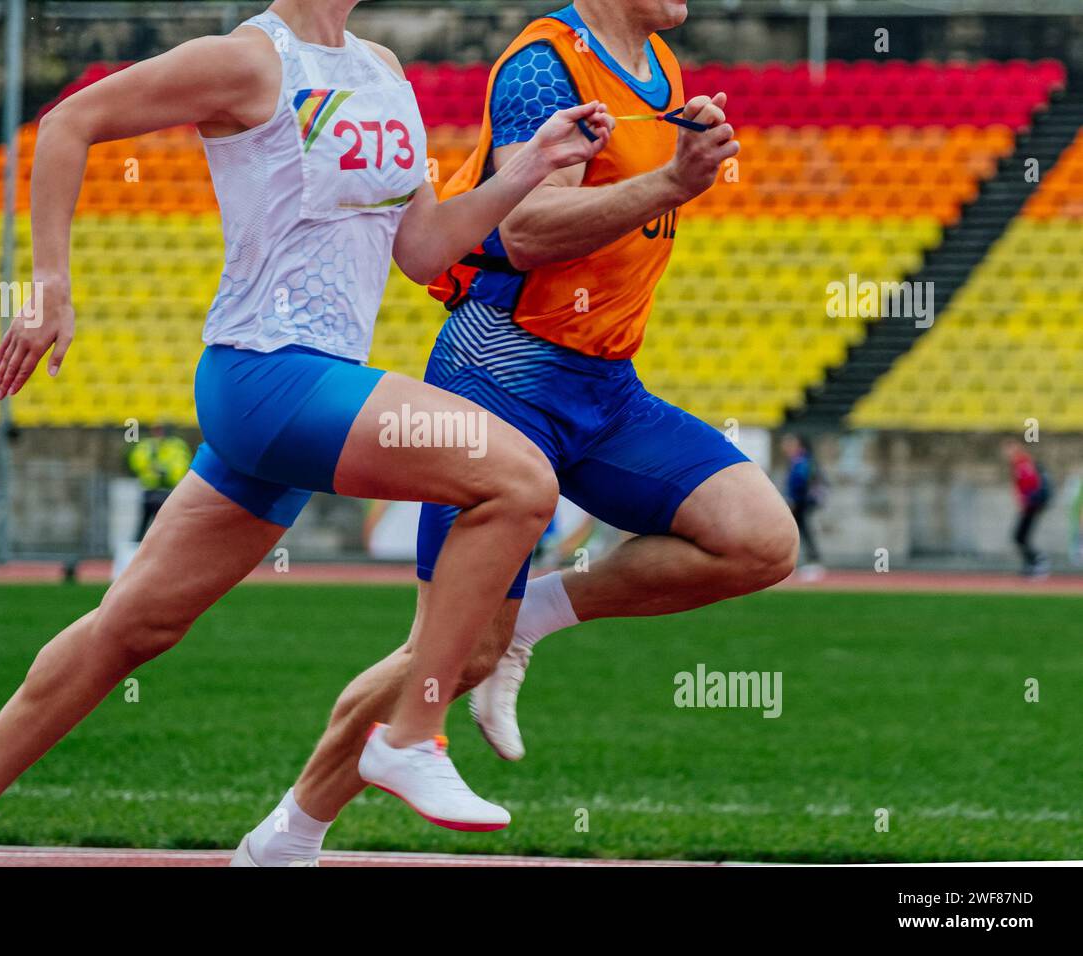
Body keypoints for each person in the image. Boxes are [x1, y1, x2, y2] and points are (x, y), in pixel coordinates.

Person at [0, 0, 614, 866]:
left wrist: (528, 167)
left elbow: (422, 250)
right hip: (265, 373)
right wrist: (50, 285)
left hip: (310, 390)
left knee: (134, 627)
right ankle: (412, 736)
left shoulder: (380, 67)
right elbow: (70, 122)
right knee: (520, 481)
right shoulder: (246, 61)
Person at [237, 0, 799, 867]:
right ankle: (291, 832)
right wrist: (670, 184)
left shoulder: (658, 62)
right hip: (502, 373)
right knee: (451, 653)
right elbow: (527, 229)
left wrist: (683, 160)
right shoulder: (544, 64)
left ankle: (534, 615)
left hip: (604, 385)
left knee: (759, 540)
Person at [128, 425, 191, 539]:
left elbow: (181, 465)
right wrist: (151, 467)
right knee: (144, 523)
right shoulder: (146, 445)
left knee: (165, 523)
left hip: (166, 491)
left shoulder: (176, 446)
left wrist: (166, 472)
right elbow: (136, 462)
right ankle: (138, 546)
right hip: (150, 490)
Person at [1002, 439, 1051, 576]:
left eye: (1009, 449)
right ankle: (1032, 563)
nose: (1007, 453)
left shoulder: (1023, 464)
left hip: (1031, 506)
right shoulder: (1019, 464)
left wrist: (1027, 500)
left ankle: (1038, 561)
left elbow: (1031, 483)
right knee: (1021, 537)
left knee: (1019, 536)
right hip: (1029, 506)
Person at [781, 433, 824, 578]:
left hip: (802, 502)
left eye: (789, 443)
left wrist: (793, 500)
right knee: (801, 531)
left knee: (803, 530)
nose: (785, 447)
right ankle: (808, 562)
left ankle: (814, 562)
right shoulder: (798, 461)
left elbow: (801, 483)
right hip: (800, 501)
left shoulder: (802, 461)